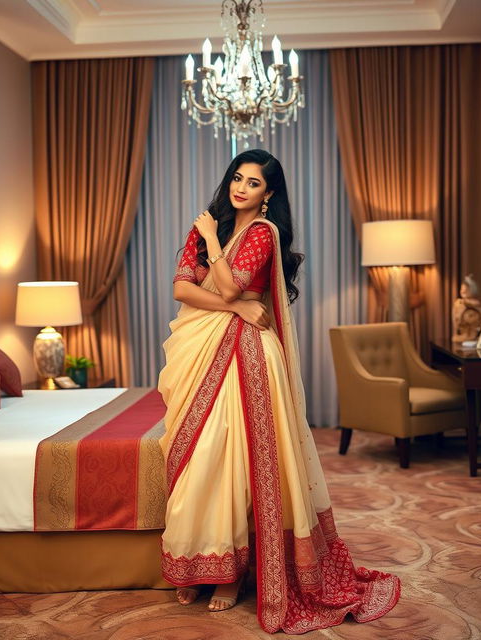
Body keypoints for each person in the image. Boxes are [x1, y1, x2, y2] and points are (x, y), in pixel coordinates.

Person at [158, 149, 400, 634]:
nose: (241, 188)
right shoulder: (206, 226)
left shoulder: (263, 234)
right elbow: (183, 290)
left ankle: (233, 574)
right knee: (200, 460)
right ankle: (199, 561)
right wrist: (237, 306)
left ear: (269, 195)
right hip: (201, 350)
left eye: (253, 183)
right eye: (237, 178)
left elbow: (230, 287)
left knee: (236, 462)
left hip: (249, 357)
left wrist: (217, 256)